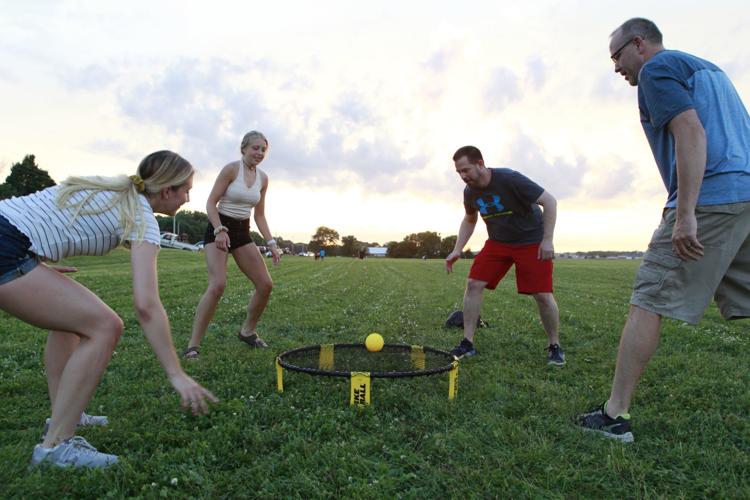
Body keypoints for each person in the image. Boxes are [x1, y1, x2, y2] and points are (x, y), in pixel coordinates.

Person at [576, 18, 750, 443]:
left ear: (638, 44)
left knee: (648, 298)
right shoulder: (710, 70)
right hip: (745, 195)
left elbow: (690, 130)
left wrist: (686, 212)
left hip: (710, 197)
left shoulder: (657, 69)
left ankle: (614, 415)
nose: (617, 68)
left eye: (617, 56)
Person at [0, 150, 219, 468]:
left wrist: (38, 265)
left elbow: (46, 214)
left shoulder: (114, 189)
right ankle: (56, 447)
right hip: (8, 248)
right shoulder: (142, 217)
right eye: (185, 189)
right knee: (105, 325)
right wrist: (176, 373)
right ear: (167, 190)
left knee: (71, 321)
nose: (188, 197)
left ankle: (64, 413)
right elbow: (146, 305)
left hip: (12, 242)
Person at [444, 145, 565, 366]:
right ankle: (467, 343)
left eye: (466, 170)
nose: (463, 176)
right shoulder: (470, 192)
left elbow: (550, 201)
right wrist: (457, 249)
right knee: (473, 284)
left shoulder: (510, 179)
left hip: (530, 240)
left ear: (480, 163)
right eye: (459, 172)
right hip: (498, 242)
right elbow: (470, 219)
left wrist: (547, 239)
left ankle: (554, 346)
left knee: (542, 295)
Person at [185, 131, 281, 359]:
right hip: (219, 228)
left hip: (242, 232)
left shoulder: (263, 178)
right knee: (217, 285)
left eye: (263, 150)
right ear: (244, 148)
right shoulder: (231, 170)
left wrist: (272, 243)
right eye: (255, 148)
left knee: (265, 284)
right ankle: (193, 346)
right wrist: (219, 230)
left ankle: (247, 332)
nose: (259, 153)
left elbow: (259, 215)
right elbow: (210, 203)